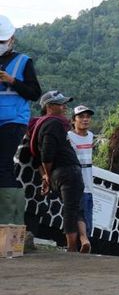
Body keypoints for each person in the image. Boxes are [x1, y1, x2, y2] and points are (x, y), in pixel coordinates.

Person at [29, 91, 87, 252]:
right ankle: (72, 248)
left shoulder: (39, 126)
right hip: (67, 171)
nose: (65, 107)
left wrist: (45, 176)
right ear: (49, 107)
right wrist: (47, 175)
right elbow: (47, 154)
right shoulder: (53, 124)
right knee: (71, 209)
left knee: (74, 207)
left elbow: (37, 158)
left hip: (59, 173)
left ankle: (81, 241)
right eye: (61, 104)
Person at [0, 15, 42, 227]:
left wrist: (12, 81)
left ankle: (10, 222)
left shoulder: (23, 61)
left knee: (3, 165)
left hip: (14, 120)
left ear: (11, 39)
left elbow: (35, 93)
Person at [67, 105, 94, 249]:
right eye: (81, 117)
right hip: (76, 182)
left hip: (89, 184)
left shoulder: (91, 136)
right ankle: (82, 241)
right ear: (73, 120)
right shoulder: (69, 137)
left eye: (88, 117)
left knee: (88, 218)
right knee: (80, 214)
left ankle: (83, 245)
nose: (85, 120)